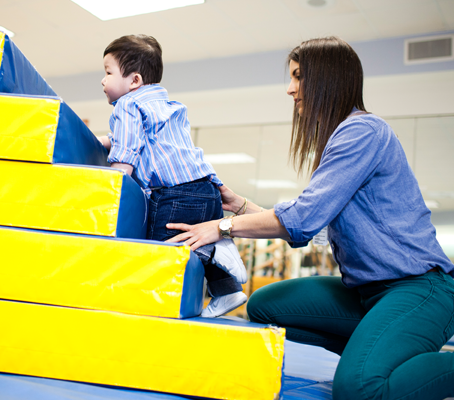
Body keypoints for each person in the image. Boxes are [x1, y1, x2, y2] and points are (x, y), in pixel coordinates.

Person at [167, 36, 454, 400]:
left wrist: (221, 227)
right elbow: (311, 225)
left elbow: (300, 219)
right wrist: (239, 205)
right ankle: (382, 347)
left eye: (298, 77)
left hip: (419, 289)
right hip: (366, 295)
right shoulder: (340, 138)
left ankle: (398, 361)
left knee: (359, 390)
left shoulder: (363, 131)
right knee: (265, 306)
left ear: (328, 78)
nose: (290, 89)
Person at [97, 34, 248, 318]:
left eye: (108, 72)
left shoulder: (127, 105)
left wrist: (114, 187)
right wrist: (102, 140)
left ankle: (210, 255)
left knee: (159, 256)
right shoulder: (169, 106)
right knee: (192, 239)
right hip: (207, 191)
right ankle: (227, 289)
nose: (103, 81)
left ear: (134, 81)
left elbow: (127, 151)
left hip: (173, 195)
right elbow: (135, 137)